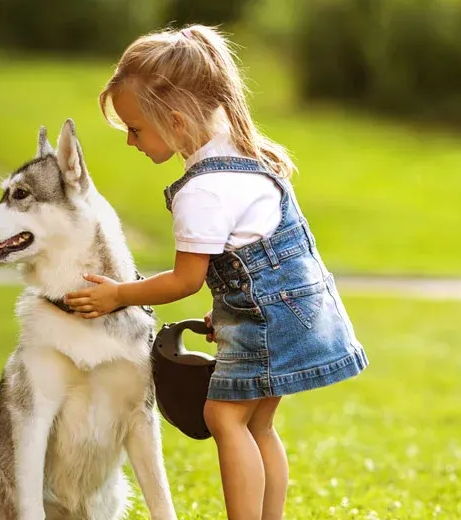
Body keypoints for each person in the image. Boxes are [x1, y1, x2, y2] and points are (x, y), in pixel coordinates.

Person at [62, 24, 370, 520]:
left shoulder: (202, 190)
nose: (130, 142)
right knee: (257, 425)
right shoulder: (245, 154)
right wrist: (225, 310)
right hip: (298, 308)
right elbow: (251, 257)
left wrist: (119, 293)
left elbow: (184, 279)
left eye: (136, 129)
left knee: (224, 416)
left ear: (177, 120)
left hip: (268, 319)